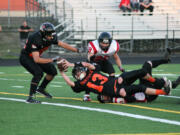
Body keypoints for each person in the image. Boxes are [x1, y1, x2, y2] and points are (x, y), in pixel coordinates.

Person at [19, 22, 81, 103]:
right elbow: (36, 60)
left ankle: (41, 89)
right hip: (26, 57)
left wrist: (76, 50)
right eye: (49, 35)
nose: (51, 37)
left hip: (35, 56)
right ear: (43, 34)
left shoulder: (52, 36)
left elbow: (62, 44)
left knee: (52, 71)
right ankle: (30, 97)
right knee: (38, 73)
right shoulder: (35, 38)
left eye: (52, 35)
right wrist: (53, 60)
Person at [58, 59, 171, 102]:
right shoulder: (82, 84)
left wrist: (70, 64)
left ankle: (157, 82)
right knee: (140, 88)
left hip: (119, 80)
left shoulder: (91, 70)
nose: (78, 74)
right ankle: (165, 92)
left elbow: (87, 64)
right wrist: (62, 72)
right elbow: (70, 83)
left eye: (78, 71)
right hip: (117, 90)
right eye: (76, 74)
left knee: (141, 71)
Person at [85, 32, 124, 101]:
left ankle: (111, 92)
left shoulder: (114, 47)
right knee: (90, 75)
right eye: (102, 43)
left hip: (103, 61)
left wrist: (120, 67)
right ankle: (87, 95)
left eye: (106, 43)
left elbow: (116, 57)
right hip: (93, 61)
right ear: (99, 41)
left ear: (110, 43)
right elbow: (89, 56)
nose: (104, 45)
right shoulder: (94, 46)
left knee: (112, 72)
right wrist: (89, 63)